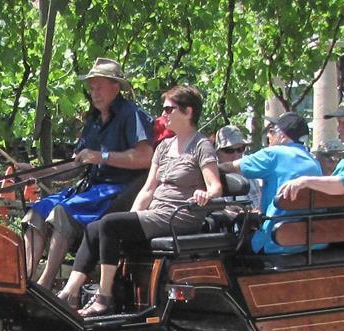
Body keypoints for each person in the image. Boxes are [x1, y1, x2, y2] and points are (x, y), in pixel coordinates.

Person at [57, 85, 221, 318]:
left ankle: (104, 298)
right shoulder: (163, 147)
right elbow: (148, 189)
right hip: (156, 213)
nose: (163, 115)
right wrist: (132, 218)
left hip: (180, 215)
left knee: (109, 225)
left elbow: (215, 186)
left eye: (169, 109)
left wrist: (206, 195)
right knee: (96, 227)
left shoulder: (201, 146)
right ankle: (67, 294)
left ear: (188, 112)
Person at [23, 58, 153, 289]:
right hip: (90, 190)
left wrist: (102, 156)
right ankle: (25, 280)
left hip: (117, 192)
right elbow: (76, 165)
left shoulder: (131, 114)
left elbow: (145, 158)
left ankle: (45, 285)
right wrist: (39, 174)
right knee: (37, 211)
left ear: (115, 86)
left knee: (62, 212)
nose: (94, 93)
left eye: (99, 87)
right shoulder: (92, 120)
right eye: (91, 88)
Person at [236, 111, 323, 254]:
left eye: (271, 131)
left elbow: (230, 167)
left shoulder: (274, 154)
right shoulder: (314, 162)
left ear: (282, 136)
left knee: (232, 244)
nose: (268, 136)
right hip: (312, 242)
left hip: (276, 242)